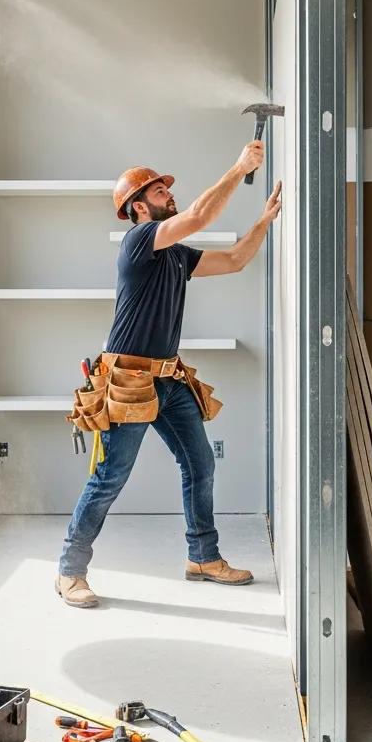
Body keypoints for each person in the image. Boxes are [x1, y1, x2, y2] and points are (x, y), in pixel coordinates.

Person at [56, 140, 283, 608]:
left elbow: (236, 260)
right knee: (109, 478)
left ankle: (203, 557)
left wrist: (263, 221)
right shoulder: (139, 241)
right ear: (139, 206)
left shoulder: (177, 255)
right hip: (126, 381)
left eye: (166, 190)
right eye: (159, 192)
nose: (168, 195)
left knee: (199, 463)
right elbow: (200, 215)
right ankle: (69, 571)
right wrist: (239, 167)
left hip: (167, 378)